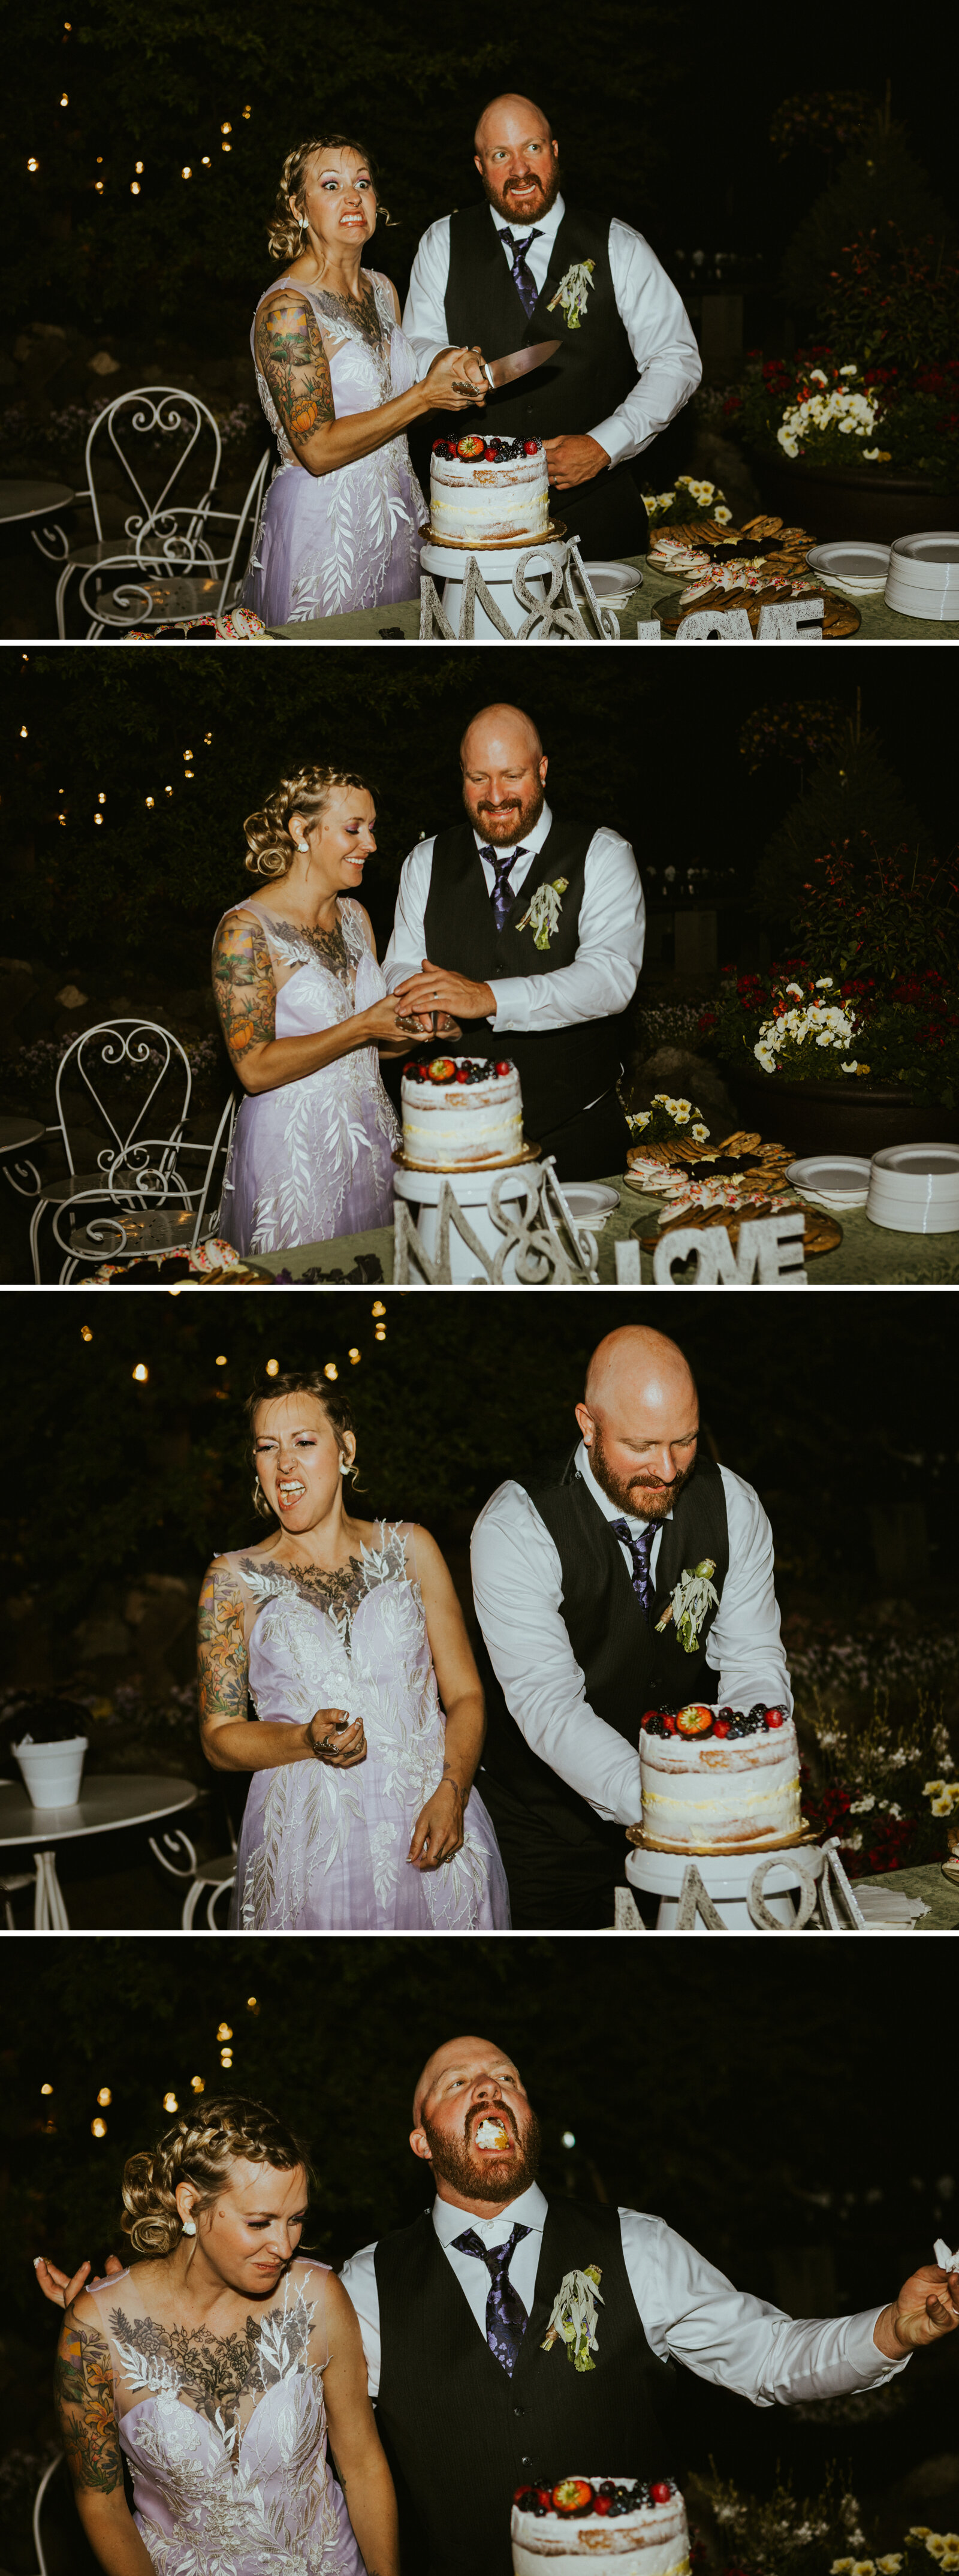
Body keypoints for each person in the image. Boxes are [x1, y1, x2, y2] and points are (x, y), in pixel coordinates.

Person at [38, 2039, 959, 2576]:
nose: (485, 2087)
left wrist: (889, 2328)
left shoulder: (637, 2243)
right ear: (419, 2137)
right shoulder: (354, 2285)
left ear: (525, 2111)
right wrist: (125, 2316)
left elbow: (771, 2359)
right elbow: (249, 2394)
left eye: (504, 2077)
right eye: (453, 2083)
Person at [470, 1325, 791, 1930]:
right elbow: (549, 1705)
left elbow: (751, 1663)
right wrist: (670, 1803)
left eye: (685, 1441)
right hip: (544, 1826)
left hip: (697, 1816)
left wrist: (742, 1773)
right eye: (641, 1445)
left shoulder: (735, 1507)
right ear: (587, 1425)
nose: (667, 1470)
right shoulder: (514, 1526)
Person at [197, 1369, 509, 1931]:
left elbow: (465, 1693)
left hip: (433, 1822)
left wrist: (453, 1790)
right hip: (308, 1844)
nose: (283, 1463)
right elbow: (219, 1739)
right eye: (267, 1447)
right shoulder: (231, 1580)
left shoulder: (413, 1549)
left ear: (346, 1449)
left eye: (303, 1442)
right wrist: (302, 1739)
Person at [47, 2095, 399, 2576]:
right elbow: (99, 2502)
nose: (284, 2245)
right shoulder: (92, 2329)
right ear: (190, 2203)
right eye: (260, 2222)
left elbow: (362, 2464)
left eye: (296, 2218)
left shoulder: (319, 2298)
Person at [403, 92, 701, 559]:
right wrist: (440, 360)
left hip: (599, 515)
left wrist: (606, 445)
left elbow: (676, 359)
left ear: (555, 151)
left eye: (532, 148)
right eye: (501, 155)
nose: (520, 169)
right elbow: (415, 341)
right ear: (481, 167)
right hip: (477, 516)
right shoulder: (442, 241)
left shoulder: (619, 245)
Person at [382, 701, 644, 1183]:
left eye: (512, 775)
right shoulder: (425, 861)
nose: (495, 795)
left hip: (577, 1134)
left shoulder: (604, 854)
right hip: (456, 1132)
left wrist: (486, 998)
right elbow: (400, 965)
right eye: (477, 777)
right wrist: (427, 1008)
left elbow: (610, 978)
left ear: (543, 770)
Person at [245, 135, 490, 623]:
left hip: (399, 511)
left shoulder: (383, 291)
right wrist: (424, 397)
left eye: (363, 183)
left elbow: (391, 418)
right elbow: (316, 450)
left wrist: (449, 385)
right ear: (299, 207)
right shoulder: (287, 311)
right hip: (325, 528)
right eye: (331, 185)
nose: (353, 197)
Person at [213, 762, 420, 1257]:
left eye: (371, 828)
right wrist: (361, 1026)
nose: (370, 844)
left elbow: (372, 1050)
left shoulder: (357, 917)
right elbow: (254, 1070)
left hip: (373, 1143)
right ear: (301, 831)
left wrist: (416, 1031)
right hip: (294, 1155)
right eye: (353, 829)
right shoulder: (245, 932)